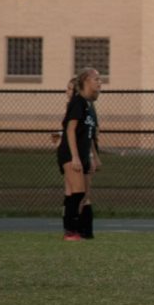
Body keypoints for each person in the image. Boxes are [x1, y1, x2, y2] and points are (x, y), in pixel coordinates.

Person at [57, 68, 102, 241]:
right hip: (70, 153)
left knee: (81, 193)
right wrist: (75, 157)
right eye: (96, 79)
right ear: (85, 81)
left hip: (82, 154)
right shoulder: (78, 101)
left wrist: (94, 157)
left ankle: (81, 232)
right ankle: (70, 231)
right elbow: (70, 129)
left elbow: (90, 135)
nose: (100, 82)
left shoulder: (89, 104)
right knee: (77, 193)